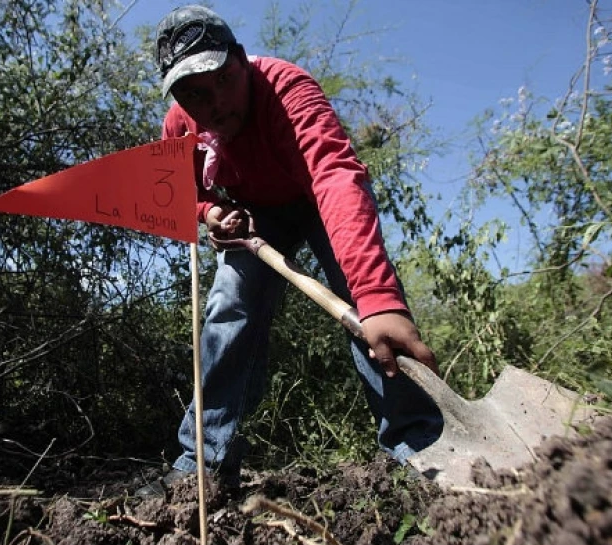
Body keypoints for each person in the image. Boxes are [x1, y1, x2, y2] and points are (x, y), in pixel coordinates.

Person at [138, 4, 443, 496]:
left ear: (242, 60)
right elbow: (184, 191)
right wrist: (210, 214)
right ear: (177, 96)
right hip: (258, 215)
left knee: (366, 306)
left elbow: (334, 175)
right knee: (228, 307)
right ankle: (202, 466)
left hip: (316, 199)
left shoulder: (288, 88)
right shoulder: (180, 126)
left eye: (223, 80)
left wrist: (378, 296)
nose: (214, 103)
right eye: (195, 94)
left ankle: (421, 447)